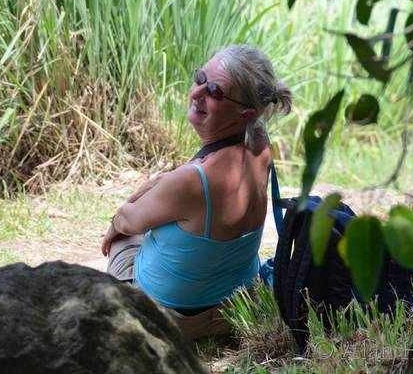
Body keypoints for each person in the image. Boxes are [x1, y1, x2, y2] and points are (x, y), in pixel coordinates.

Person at [101, 44, 292, 339]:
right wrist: (163, 183)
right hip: (236, 308)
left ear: (244, 113)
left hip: (169, 320)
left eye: (215, 92)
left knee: (125, 237)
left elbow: (128, 220)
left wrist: (115, 226)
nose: (197, 93)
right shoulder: (259, 144)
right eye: (200, 78)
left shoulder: (193, 181)